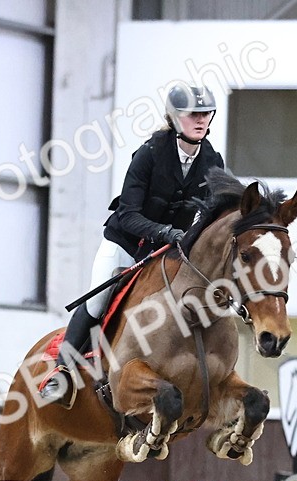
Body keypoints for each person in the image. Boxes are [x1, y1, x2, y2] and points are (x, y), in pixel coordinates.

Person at [40, 83, 225, 408]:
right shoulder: (150, 153)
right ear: (175, 118)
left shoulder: (213, 160)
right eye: (192, 114)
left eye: (205, 114)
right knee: (97, 302)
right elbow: (127, 214)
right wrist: (165, 232)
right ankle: (61, 372)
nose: (200, 120)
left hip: (167, 255)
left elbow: (214, 211)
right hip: (126, 244)